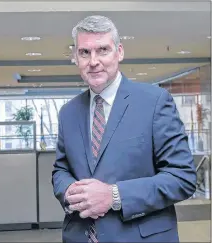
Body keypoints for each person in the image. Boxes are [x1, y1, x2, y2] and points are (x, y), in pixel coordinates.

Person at [52, 15, 196, 243]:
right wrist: (69, 191)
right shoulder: (68, 112)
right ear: (75, 57)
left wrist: (114, 196)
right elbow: (61, 169)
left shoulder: (155, 101)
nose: (93, 61)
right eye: (84, 52)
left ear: (119, 52)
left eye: (103, 50)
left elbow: (182, 177)